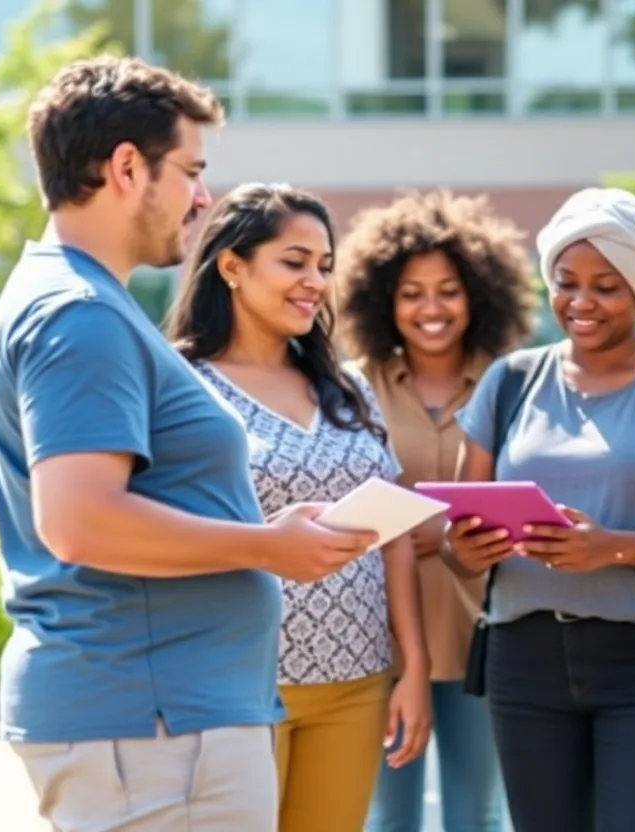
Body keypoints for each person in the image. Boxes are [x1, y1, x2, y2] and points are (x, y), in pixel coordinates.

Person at [0, 58, 377, 831]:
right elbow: (80, 522)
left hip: (156, 721)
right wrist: (269, 547)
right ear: (127, 167)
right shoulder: (80, 315)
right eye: (191, 170)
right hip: (152, 723)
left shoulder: (81, 302)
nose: (202, 196)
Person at [444, 187, 635, 832]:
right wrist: (462, 549)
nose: (580, 302)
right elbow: (458, 542)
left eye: (606, 286)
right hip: (523, 658)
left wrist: (613, 547)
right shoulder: (509, 381)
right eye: (565, 283)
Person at [166, 183, 432, 832]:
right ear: (232, 266)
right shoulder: (179, 384)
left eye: (324, 264)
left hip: (357, 681)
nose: (315, 281)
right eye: (294, 261)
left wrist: (414, 667)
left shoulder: (347, 386)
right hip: (238, 683)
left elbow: (393, 535)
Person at [336, 189, 536, 832]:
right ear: (382, 300)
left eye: (448, 291)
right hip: (378, 635)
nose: (431, 309)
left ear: (477, 295)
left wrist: (426, 527)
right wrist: (431, 527)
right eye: (412, 293)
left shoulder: (514, 383)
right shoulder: (351, 387)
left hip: (483, 631)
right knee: (386, 819)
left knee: (477, 816)